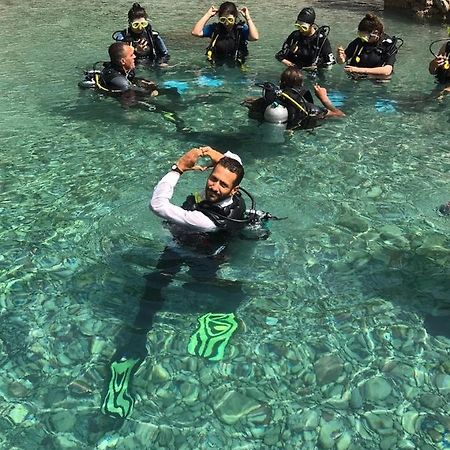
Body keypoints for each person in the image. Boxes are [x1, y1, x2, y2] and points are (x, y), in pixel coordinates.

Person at [101, 147, 263, 419]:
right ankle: (135, 340)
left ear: (235, 191)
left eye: (223, 184)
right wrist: (207, 153)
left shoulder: (205, 220)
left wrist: (179, 167)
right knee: (154, 283)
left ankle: (233, 297)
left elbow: (158, 206)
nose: (214, 186)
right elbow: (231, 158)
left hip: (202, 254)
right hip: (183, 246)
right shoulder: (234, 191)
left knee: (200, 286)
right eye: (213, 178)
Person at [243, 66, 344, 130]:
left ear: (280, 83)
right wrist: (323, 98)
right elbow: (340, 115)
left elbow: (246, 102)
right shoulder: (310, 109)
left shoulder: (264, 103)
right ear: (302, 85)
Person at [191, 2, 259, 66]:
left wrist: (248, 18)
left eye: (230, 20)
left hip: (236, 63)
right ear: (219, 19)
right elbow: (195, 32)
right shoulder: (215, 29)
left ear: (235, 18)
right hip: (217, 62)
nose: (226, 23)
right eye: (223, 20)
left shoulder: (240, 29)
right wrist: (208, 15)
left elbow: (255, 37)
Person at [337, 13, 401, 80]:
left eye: (365, 36)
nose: (362, 38)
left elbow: (387, 71)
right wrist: (340, 58)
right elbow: (341, 61)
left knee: (385, 79)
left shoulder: (388, 45)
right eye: (360, 34)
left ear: (375, 33)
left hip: (376, 77)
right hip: (356, 76)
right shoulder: (359, 42)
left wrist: (357, 70)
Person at [275, 7, 335, 72]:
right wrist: (289, 63)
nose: (300, 30)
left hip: (313, 72)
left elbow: (330, 62)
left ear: (311, 25)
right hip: (295, 70)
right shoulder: (295, 35)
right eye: (298, 26)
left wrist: (316, 68)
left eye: (304, 28)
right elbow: (279, 55)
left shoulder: (321, 40)